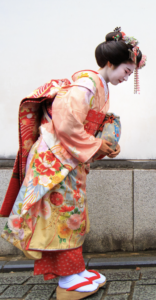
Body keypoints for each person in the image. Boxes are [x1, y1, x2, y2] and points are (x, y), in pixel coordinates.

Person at [0, 27, 146, 299]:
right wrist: (96, 144)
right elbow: (66, 125)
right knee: (62, 218)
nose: (128, 77)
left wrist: (107, 141)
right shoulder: (84, 86)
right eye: (127, 71)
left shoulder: (99, 86)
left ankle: (75, 270)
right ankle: (67, 279)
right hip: (56, 160)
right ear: (110, 64)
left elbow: (91, 126)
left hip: (68, 159)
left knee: (73, 216)